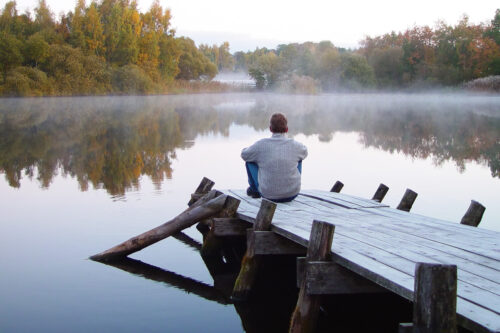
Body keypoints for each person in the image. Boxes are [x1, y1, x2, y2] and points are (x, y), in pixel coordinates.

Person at [241, 113, 308, 202]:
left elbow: (244, 155)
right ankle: (290, 186)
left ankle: (254, 190)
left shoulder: (261, 144)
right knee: (299, 158)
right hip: (292, 194)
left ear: (270, 129)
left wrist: (254, 153)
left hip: (268, 195)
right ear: (287, 129)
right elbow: (305, 152)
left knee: (250, 161)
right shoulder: (296, 145)